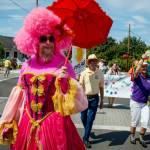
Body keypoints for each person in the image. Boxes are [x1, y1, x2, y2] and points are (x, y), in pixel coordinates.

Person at [0, 7, 88, 150]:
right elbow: (19, 96)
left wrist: (65, 81)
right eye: (43, 39)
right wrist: (9, 120)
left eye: (51, 38)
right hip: (27, 122)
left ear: (57, 41)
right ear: (35, 41)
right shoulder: (27, 65)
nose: (48, 42)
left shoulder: (64, 65)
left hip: (54, 123)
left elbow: (72, 103)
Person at [79, 54, 104, 148]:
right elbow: (80, 87)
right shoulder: (83, 73)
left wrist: (102, 101)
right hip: (84, 98)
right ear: (88, 63)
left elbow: (101, 88)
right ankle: (88, 131)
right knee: (83, 118)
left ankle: (86, 138)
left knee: (90, 120)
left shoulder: (100, 73)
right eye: (91, 61)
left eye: (95, 61)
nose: (93, 62)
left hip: (94, 99)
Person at [129, 58, 150, 148]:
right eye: (143, 67)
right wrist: (141, 61)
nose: (144, 68)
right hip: (135, 102)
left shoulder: (149, 78)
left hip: (145, 103)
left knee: (145, 121)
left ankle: (141, 138)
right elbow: (136, 70)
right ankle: (132, 136)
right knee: (135, 122)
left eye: (146, 67)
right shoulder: (137, 76)